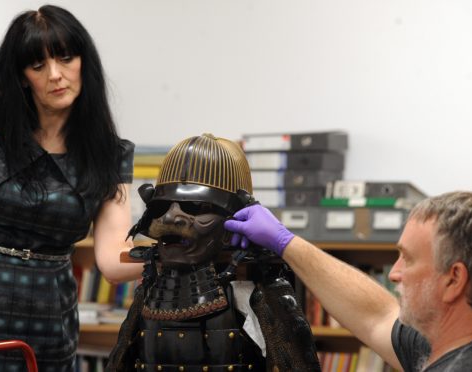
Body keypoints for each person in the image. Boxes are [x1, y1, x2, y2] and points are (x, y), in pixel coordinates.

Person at [0, 5, 141, 371]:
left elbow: (110, 258)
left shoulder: (108, 153)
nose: (55, 75)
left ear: (83, 61)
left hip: (46, 329)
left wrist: (174, 252)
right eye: (37, 65)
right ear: (22, 76)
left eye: (65, 58)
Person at [106, 133, 321, 371]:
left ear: (235, 217)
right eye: (162, 206)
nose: (169, 217)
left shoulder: (252, 289)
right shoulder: (150, 288)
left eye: (195, 207)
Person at [224, 191, 472, 371]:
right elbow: (378, 315)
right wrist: (284, 242)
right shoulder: (441, 344)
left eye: (408, 258)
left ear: (454, 280)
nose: (394, 273)